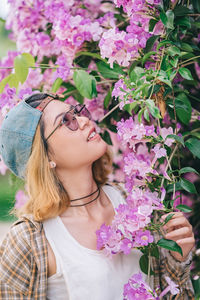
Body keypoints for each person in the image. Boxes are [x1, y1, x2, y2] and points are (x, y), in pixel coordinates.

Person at [0, 93, 195, 299]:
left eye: (76, 112)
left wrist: (178, 259)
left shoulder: (136, 201)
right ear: (46, 156)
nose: (84, 120)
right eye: (66, 121)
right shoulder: (30, 240)